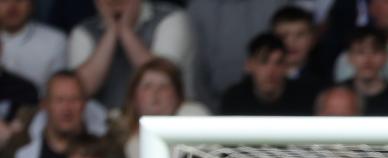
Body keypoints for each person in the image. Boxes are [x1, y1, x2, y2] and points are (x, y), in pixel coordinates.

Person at [67, 0, 195, 111]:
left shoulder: (171, 18)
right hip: (105, 126)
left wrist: (126, 32)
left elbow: (161, 77)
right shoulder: (84, 31)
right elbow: (79, 90)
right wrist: (111, 32)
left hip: (165, 120)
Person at [218, 33, 313, 116]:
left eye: (278, 63)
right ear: (249, 65)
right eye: (263, 62)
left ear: (286, 66)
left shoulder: (303, 98)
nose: (271, 71)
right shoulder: (233, 99)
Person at [340, 26, 388, 116]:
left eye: (375, 52)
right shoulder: (335, 96)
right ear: (349, 57)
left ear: (386, 56)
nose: (368, 60)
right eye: (360, 52)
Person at [0, 0, 69, 91]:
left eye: (19, 0)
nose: (12, 7)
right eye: (4, 1)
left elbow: (61, 90)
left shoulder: (55, 41)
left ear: (32, 5)